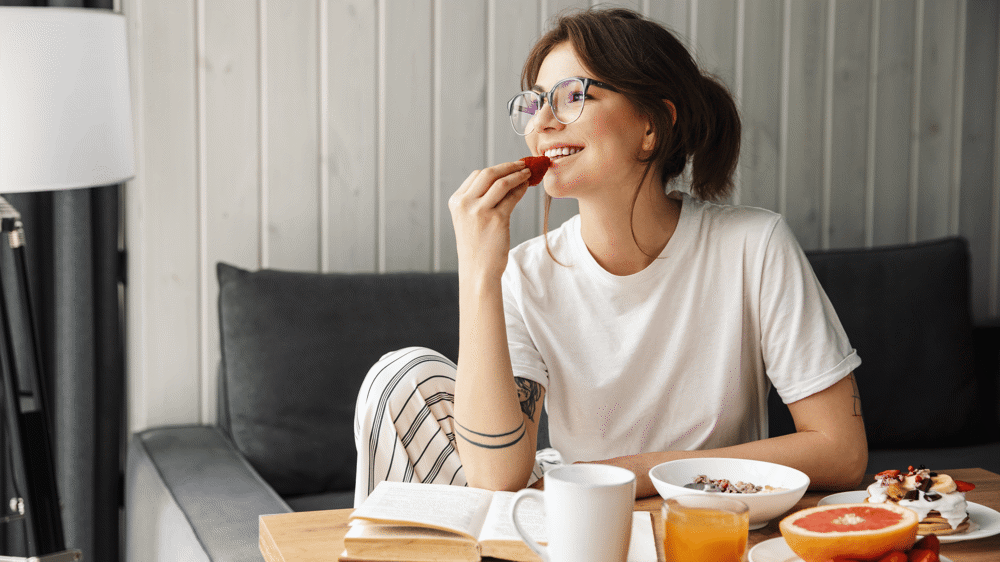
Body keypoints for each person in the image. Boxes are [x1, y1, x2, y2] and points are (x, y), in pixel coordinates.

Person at [353, 7, 867, 506]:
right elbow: (495, 474)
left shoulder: (754, 245)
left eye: (574, 95)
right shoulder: (526, 273)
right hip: (583, 524)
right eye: (536, 103)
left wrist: (628, 474)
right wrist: (479, 272)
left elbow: (840, 451)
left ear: (652, 125)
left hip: (714, 518)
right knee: (398, 376)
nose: (545, 122)